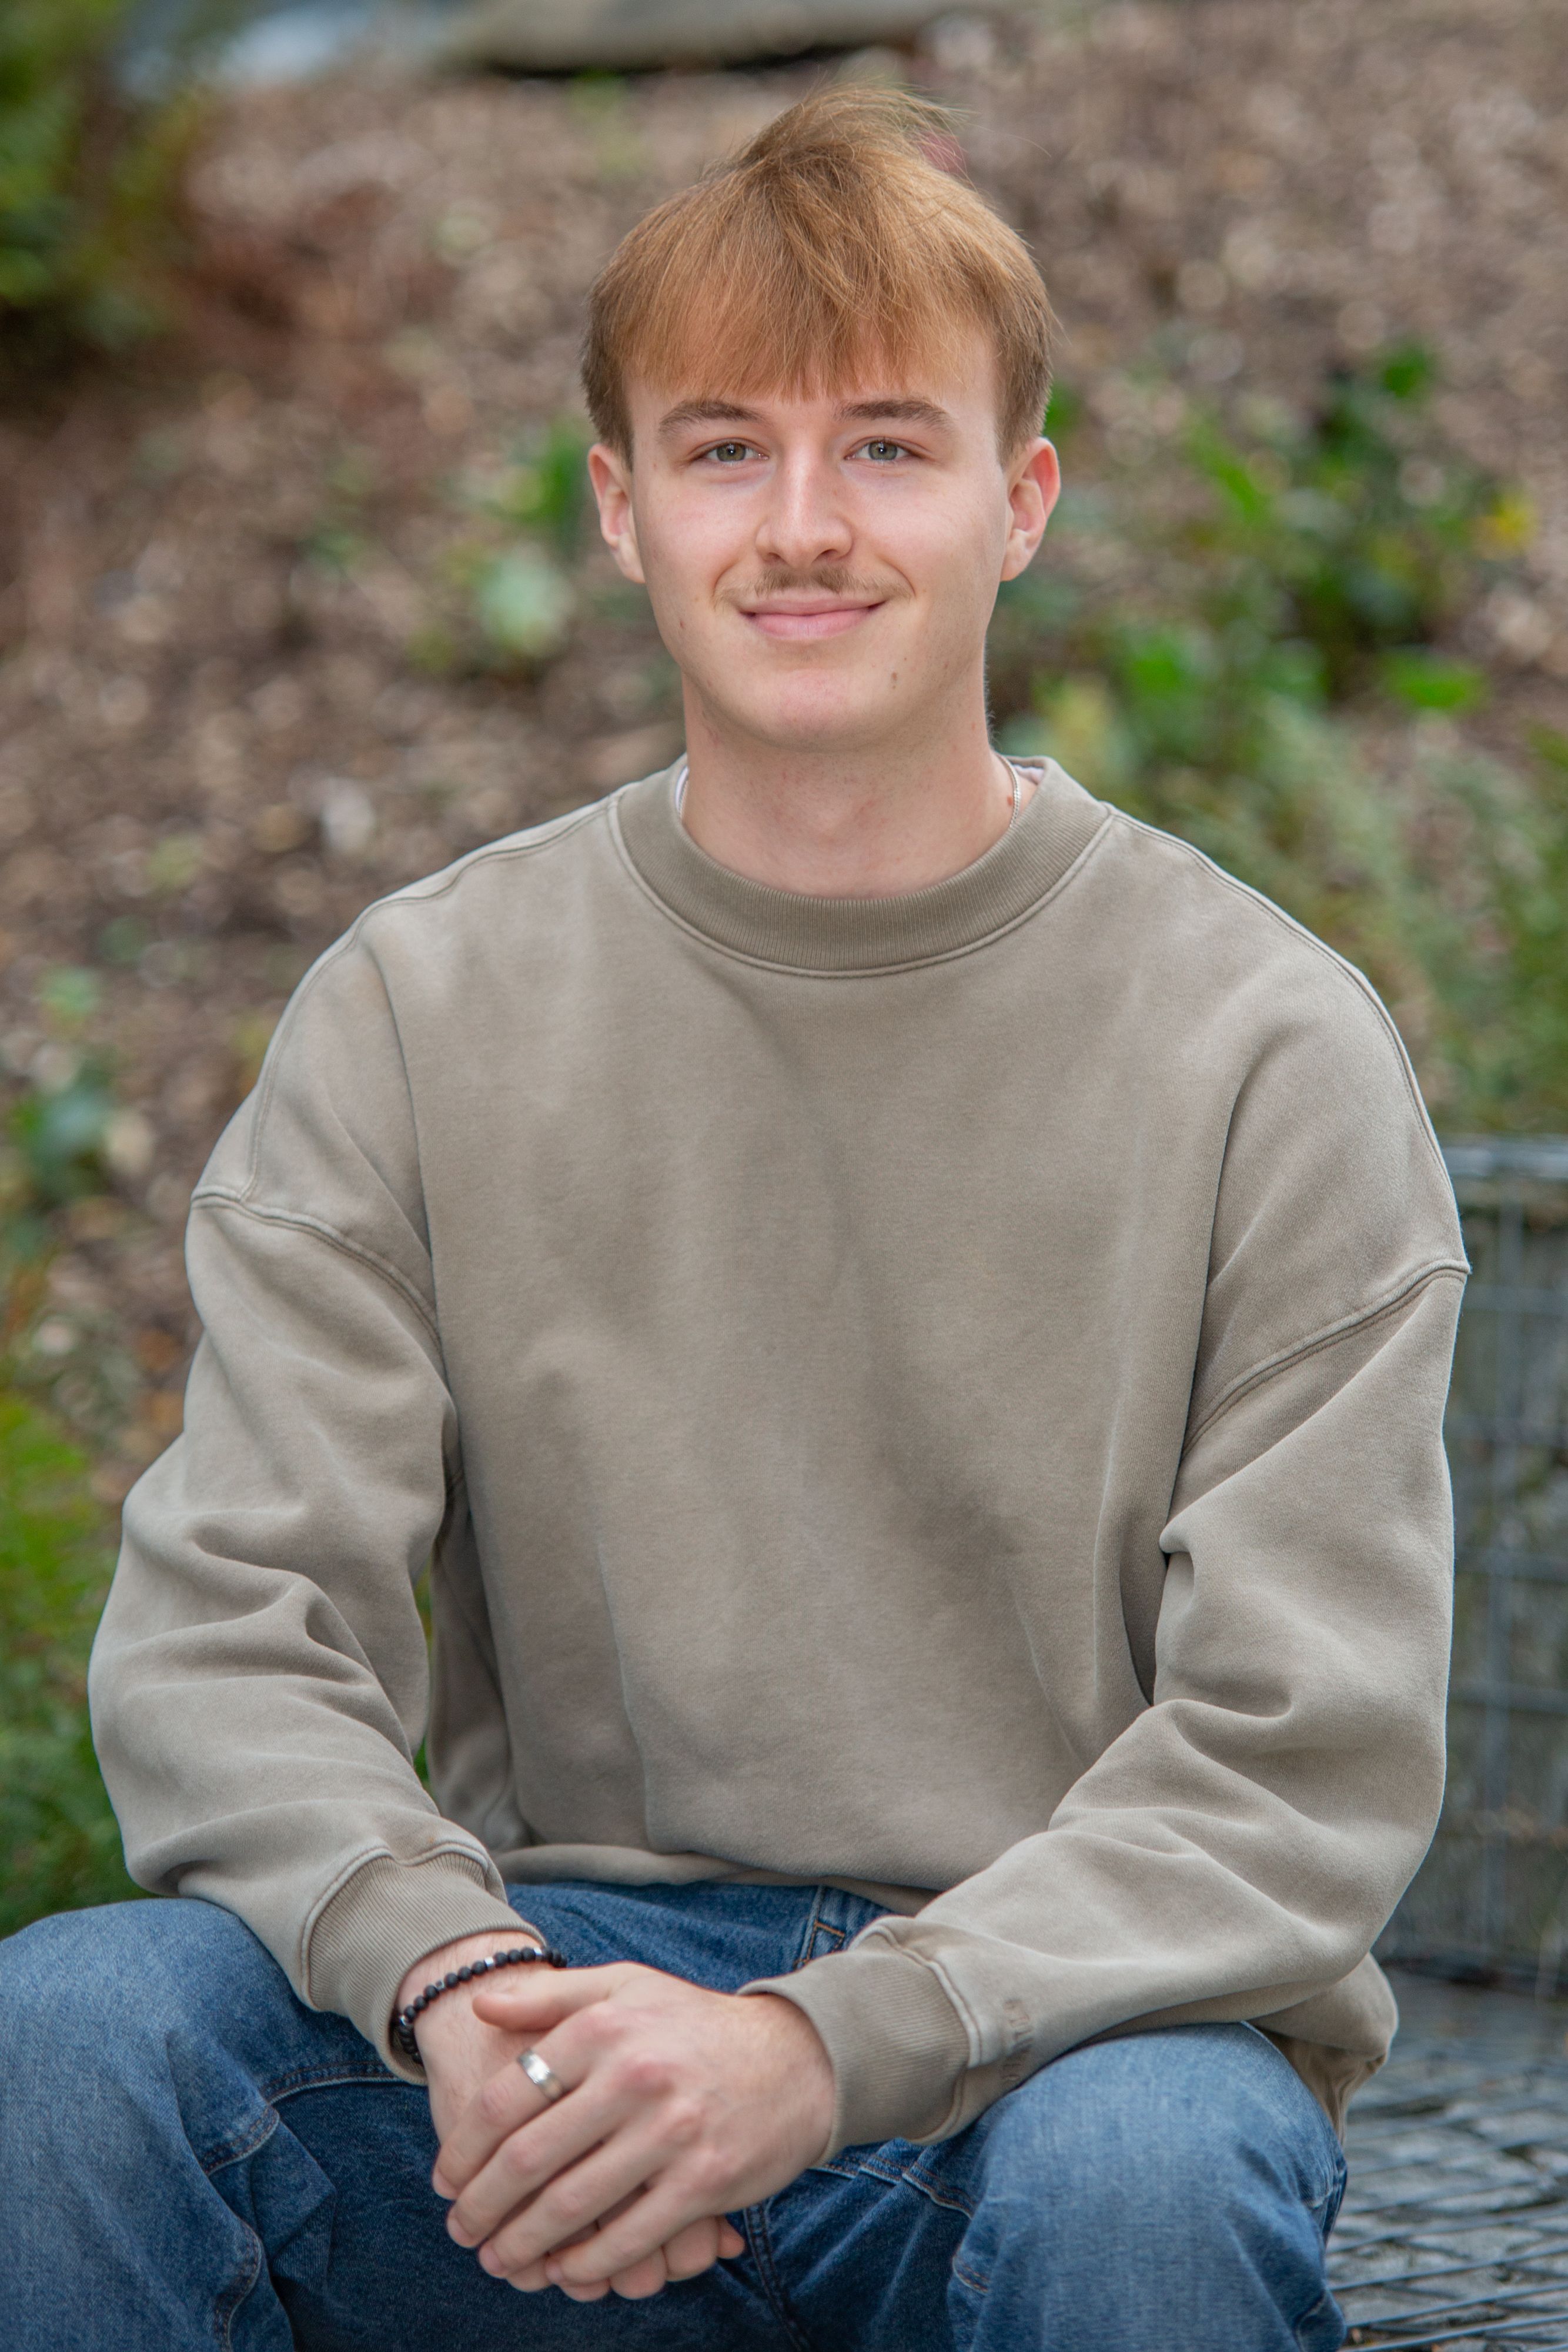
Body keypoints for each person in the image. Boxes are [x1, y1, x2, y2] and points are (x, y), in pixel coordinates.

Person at [0, 88, 1466, 2352]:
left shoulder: (1263, 1046)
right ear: (618, 509)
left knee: (1154, 2179)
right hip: (548, 2038)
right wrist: (449, 1976)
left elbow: (1296, 1760)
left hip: (1054, 2041)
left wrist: (820, 2048)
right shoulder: (418, 1013)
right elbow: (234, 1632)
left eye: (885, 445)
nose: (801, 526)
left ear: (1021, 502)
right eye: (722, 450)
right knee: (82, 2039)